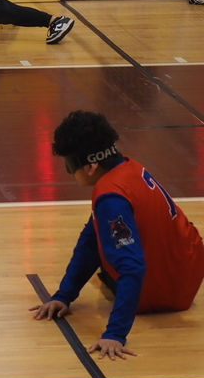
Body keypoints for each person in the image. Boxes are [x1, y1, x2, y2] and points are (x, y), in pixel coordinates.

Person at [31, 110, 204, 360]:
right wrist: (64, 295)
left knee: (114, 253)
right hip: (188, 275)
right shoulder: (130, 167)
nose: (69, 172)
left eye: (70, 165)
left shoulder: (110, 196)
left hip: (162, 294)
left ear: (90, 166)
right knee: (101, 234)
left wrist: (115, 334)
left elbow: (131, 266)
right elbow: (91, 236)